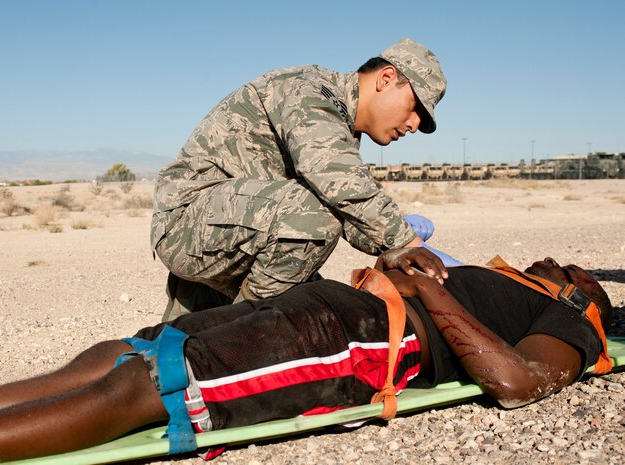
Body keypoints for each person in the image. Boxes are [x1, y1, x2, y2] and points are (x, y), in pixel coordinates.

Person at [0, 249, 613, 464]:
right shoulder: (518, 283)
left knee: (152, 384)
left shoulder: (573, 316)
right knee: (129, 350)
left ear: (590, 291)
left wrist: (419, 289)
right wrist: (403, 265)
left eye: (578, 270)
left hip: (357, 341)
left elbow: (515, 380)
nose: (561, 261)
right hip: (325, 303)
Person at [151, 37, 448, 319]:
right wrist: (406, 239)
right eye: (415, 108)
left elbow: (343, 210)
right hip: (187, 225)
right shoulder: (312, 92)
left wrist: (395, 249)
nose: (414, 125)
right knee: (311, 228)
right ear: (385, 79)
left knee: (319, 305)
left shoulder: (340, 125)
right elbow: (337, 185)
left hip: (228, 232)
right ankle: (240, 336)